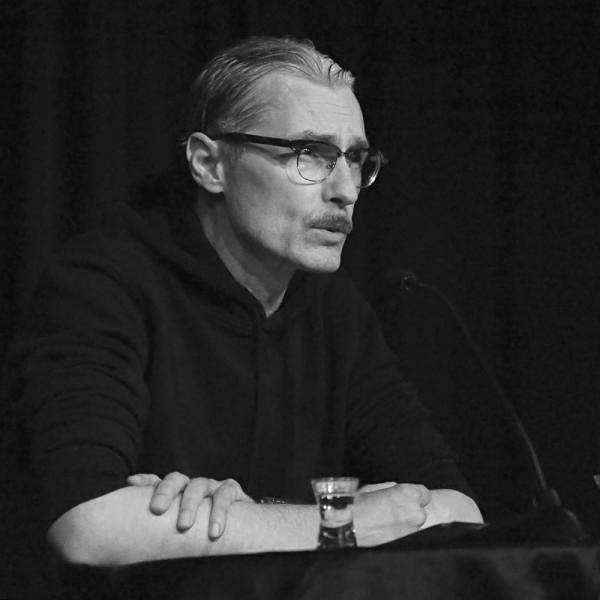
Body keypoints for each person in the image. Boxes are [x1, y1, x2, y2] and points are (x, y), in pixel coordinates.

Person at [13, 36, 482, 568]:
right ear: (209, 165)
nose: (346, 190)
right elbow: (87, 526)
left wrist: (242, 520)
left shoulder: (336, 311)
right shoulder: (101, 283)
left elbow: (459, 509)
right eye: (310, 154)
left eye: (354, 159)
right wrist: (342, 523)